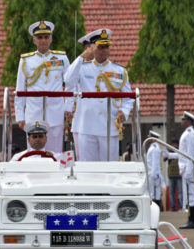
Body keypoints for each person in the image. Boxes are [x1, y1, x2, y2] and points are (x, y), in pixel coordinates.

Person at [64, 28, 133, 161]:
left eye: (107, 46)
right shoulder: (82, 68)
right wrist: (82, 57)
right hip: (87, 126)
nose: (104, 50)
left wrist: (124, 111)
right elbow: (68, 80)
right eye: (100, 47)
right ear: (92, 48)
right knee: (87, 168)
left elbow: (128, 97)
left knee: (109, 168)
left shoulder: (119, 71)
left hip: (109, 125)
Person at [15, 20, 70, 153]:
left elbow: (70, 84)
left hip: (56, 112)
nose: (43, 40)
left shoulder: (61, 58)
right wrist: (20, 116)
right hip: (34, 112)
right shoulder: (26, 60)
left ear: (51, 39)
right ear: (34, 40)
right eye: (39, 37)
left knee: (55, 152)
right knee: (34, 153)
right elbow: (20, 90)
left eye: (46, 37)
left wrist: (68, 107)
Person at [65, 30, 96, 160]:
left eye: (92, 48)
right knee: (82, 158)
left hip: (98, 115)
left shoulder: (103, 68)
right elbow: (69, 86)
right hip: (81, 117)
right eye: (87, 48)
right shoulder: (78, 67)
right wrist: (68, 109)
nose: (90, 51)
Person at [177, 111, 194, 229]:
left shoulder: (190, 134)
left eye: (183, 119)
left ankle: (192, 220)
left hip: (188, 168)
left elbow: (191, 154)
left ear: (189, 121)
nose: (181, 121)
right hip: (185, 168)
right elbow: (183, 153)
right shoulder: (187, 133)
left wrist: (190, 171)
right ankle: (191, 219)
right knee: (189, 195)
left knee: (191, 195)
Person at [164, 140, 183, 211]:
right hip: (171, 175)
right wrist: (169, 150)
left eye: (176, 146)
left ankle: (181, 206)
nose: (174, 147)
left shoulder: (180, 153)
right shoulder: (169, 154)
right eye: (173, 146)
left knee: (180, 192)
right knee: (171, 193)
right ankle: (173, 207)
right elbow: (165, 159)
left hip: (178, 175)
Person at [146, 131, 164, 207]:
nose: (148, 138)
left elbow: (155, 162)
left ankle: (156, 207)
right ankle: (155, 207)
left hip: (153, 173)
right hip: (151, 173)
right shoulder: (153, 147)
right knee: (153, 192)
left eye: (150, 137)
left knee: (154, 193)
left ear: (153, 139)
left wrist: (153, 175)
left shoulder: (154, 148)